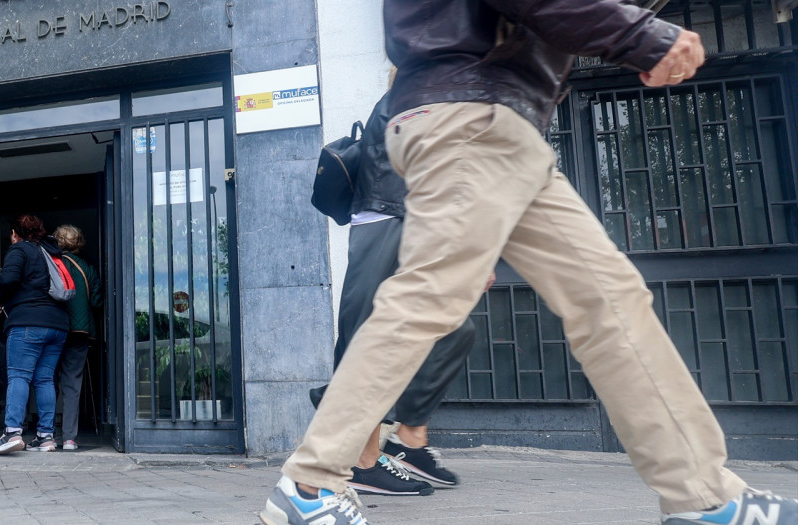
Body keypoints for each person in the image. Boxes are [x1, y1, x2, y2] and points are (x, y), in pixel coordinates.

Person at [262, 2, 798, 524]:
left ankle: (701, 496)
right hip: (471, 114)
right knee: (429, 298)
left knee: (610, 300)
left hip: (506, 126)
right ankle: (311, 484)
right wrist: (645, 37)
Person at [307, 90, 485, 496]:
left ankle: (405, 438)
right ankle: (362, 461)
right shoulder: (415, 92)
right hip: (385, 219)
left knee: (452, 329)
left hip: (410, 225)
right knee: (368, 337)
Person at [0, 215, 69, 455]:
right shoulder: (52, 252)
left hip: (28, 323)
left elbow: (8, 278)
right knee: (44, 379)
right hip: (57, 325)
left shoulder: (19, 249)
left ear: (14, 233)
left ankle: (12, 432)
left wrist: (0, 300)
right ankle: (46, 437)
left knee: (19, 376)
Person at [52, 224, 102, 452]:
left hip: (55, 327)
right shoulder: (88, 269)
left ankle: (47, 434)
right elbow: (96, 302)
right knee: (72, 383)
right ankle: (70, 438)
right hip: (80, 331)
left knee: (47, 380)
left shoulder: (53, 264)